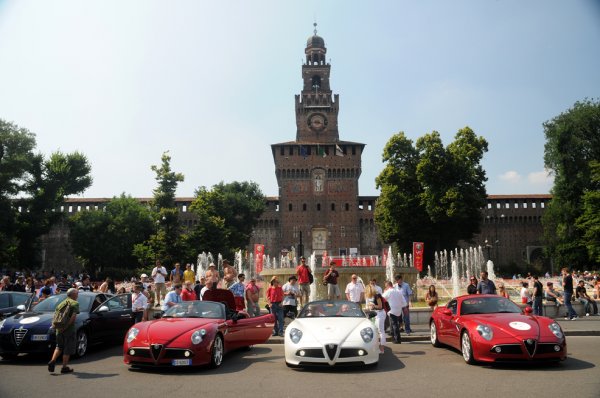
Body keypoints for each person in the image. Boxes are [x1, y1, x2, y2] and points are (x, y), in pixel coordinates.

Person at [47, 288, 79, 374]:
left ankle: (52, 361)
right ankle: (64, 367)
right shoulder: (75, 303)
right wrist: (66, 326)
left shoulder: (61, 303)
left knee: (59, 346)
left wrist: (58, 328)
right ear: (73, 295)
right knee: (67, 348)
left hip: (58, 329)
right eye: (77, 294)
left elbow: (55, 316)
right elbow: (73, 317)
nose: (78, 295)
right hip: (69, 329)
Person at [365, 282, 386, 353]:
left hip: (380, 314)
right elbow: (368, 306)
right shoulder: (369, 296)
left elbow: (380, 307)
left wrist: (373, 306)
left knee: (381, 331)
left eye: (367, 291)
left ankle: (382, 349)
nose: (366, 293)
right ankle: (376, 347)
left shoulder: (377, 295)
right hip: (373, 314)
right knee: (375, 331)